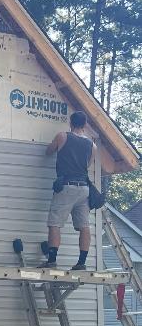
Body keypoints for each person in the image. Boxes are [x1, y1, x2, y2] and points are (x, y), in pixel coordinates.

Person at [42, 111, 94, 271]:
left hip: (67, 186)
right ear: (85, 124)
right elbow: (88, 165)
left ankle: (52, 260)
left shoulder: (62, 136)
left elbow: (48, 151)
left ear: (71, 123)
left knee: (55, 223)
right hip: (84, 189)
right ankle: (81, 263)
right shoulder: (92, 145)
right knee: (84, 225)